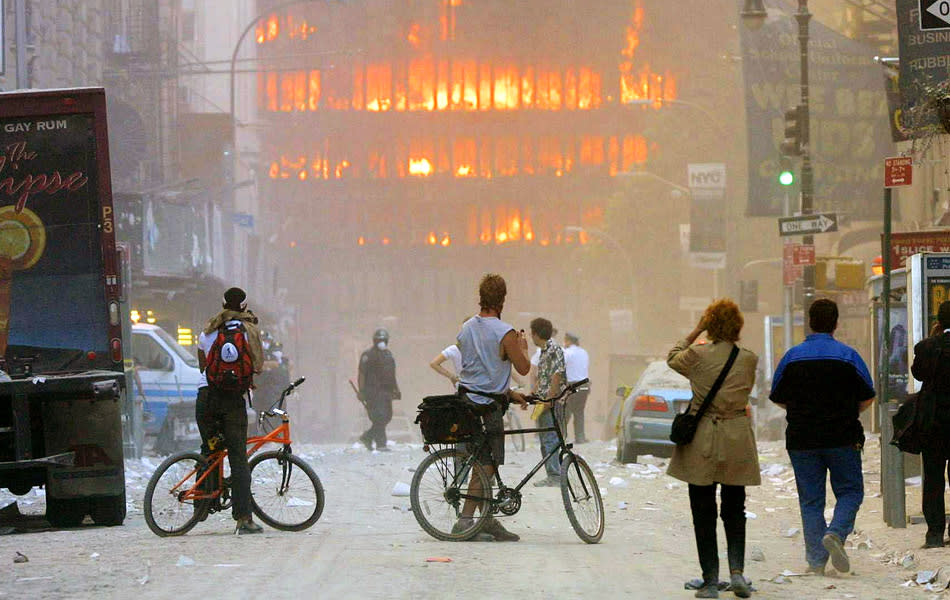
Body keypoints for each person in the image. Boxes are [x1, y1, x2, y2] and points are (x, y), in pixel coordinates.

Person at [770, 299, 875, 575]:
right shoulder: (848, 357)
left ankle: (816, 561)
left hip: (802, 440)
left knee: (811, 500)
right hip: (842, 437)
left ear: (809, 322)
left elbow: (778, 397)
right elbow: (868, 396)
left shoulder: (792, 357)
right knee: (851, 491)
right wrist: (848, 411)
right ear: (836, 323)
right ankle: (837, 533)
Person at [667, 299, 759, 599]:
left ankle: (710, 581)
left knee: (703, 511)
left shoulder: (697, 354)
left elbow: (672, 357)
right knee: (735, 509)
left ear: (710, 323)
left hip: (702, 437)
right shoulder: (748, 359)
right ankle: (737, 572)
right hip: (736, 437)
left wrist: (697, 329)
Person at [454, 273, 530, 542]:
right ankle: (465, 521)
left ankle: (486, 520)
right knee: (486, 464)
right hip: (487, 408)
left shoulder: (466, 329)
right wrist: (523, 347)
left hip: (466, 401)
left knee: (484, 461)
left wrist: (509, 393)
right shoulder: (505, 333)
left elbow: (478, 372)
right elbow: (523, 367)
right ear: (503, 299)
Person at [195, 287, 265, 535]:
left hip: (207, 397)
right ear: (244, 306)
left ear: (223, 303)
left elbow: (202, 365)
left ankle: (200, 507)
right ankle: (243, 518)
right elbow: (257, 366)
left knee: (209, 450)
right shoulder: (250, 331)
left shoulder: (208, 329)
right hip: (233, 401)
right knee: (238, 459)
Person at [911, 301, 950, 548]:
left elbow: (918, 374)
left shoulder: (927, 347)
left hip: (934, 423)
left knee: (934, 478)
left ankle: (935, 533)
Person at [530, 318, 566, 487]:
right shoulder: (544, 351)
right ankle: (551, 473)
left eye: (532, 334)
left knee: (551, 439)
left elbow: (556, 376)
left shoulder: (554, 349)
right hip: (543, 400)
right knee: (545, 439)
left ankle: (555, 475)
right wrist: (532, 396)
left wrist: (550, 400)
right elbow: (543, 377)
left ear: (536, 334)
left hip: (551, 402)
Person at [358, 328, 401, 451]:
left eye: (383, 340)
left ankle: (367, 436)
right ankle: (381, 444)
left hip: (386, 391)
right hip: (372, 391)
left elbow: (392, 374)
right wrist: (361, 391)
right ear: (375, 341)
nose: (381, 342)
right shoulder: (368, 355)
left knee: (387, 416)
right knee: (379, 417)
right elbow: (361, 374)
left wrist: (396, 390)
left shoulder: (388, 355)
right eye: (379, 340)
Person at [562, 331, 591, 443]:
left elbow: (561, 368)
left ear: (568, 341)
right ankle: (580, 437)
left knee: (566, 412)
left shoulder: (567, 352)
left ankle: (562, 436)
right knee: (579, 412)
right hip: (584, 386)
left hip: (571, 385)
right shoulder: (584, 352)